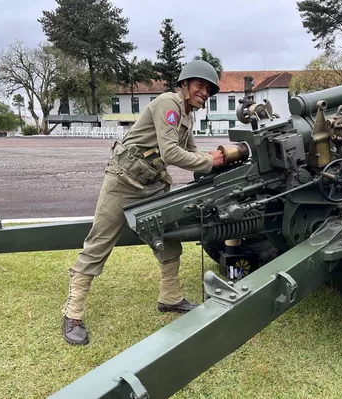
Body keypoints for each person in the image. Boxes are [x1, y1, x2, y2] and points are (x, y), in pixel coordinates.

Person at [62, 59, 225, 346]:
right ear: (185, 84)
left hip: (153, 185)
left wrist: (221, 163)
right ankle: (72, 313)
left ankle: (170, 298)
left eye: (209, 90)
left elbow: (194, 156)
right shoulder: (168, 104)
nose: (204, 92)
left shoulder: (187, 116)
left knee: (169, 239)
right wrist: (210, 161)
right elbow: (173, 154)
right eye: (200, 85)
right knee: (99, 243)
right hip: (123, 181)